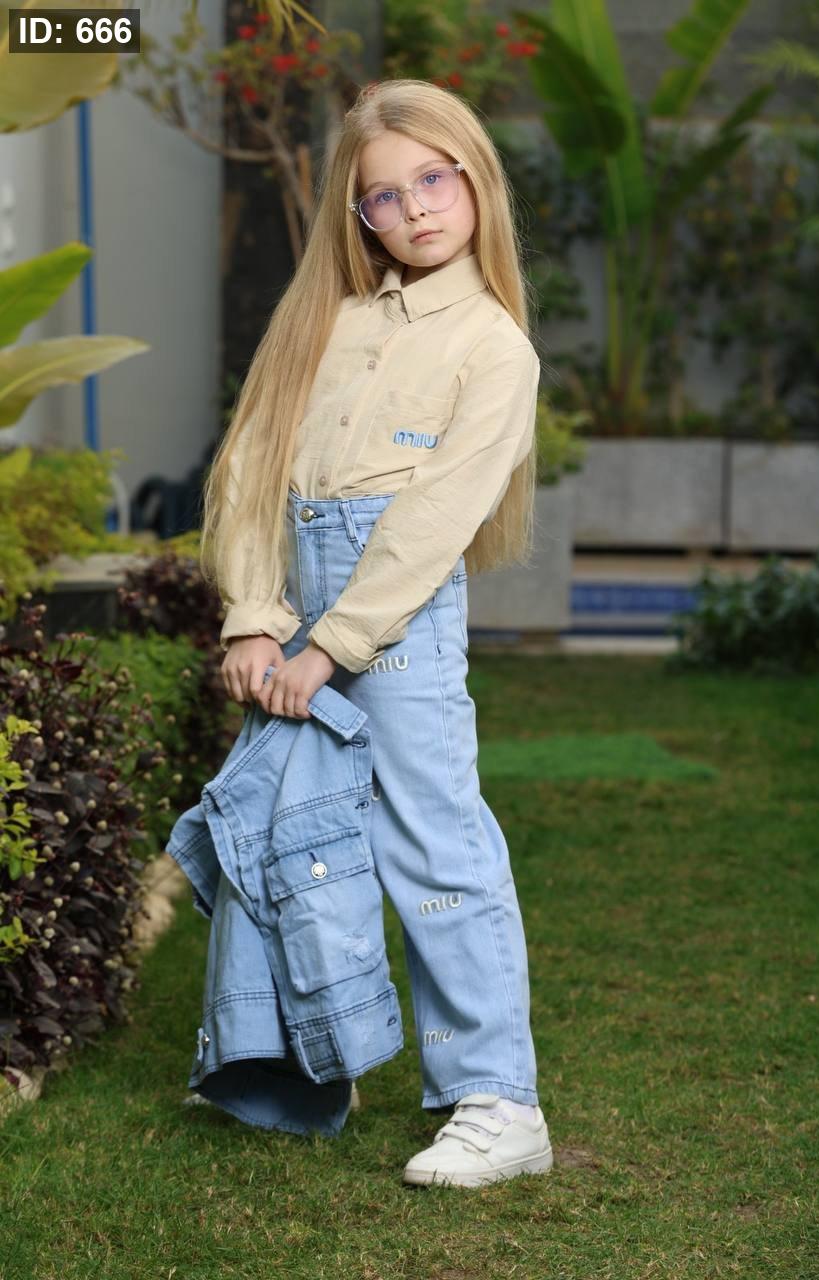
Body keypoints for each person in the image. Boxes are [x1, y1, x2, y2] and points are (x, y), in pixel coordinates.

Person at [198, 77, 553, 1189]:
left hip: (394, 622)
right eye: (384, 197)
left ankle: (496, 1098)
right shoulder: (328, 323)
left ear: (476, 179)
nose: (416, 210)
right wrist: (254, 619)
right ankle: (303, 1063)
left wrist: (326, 646)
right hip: (298, 604)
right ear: (358, 216)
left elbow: (430, 524)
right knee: (289, 826)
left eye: (434, 180)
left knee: (431, 843)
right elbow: (252, 469)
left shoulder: (494, 350)